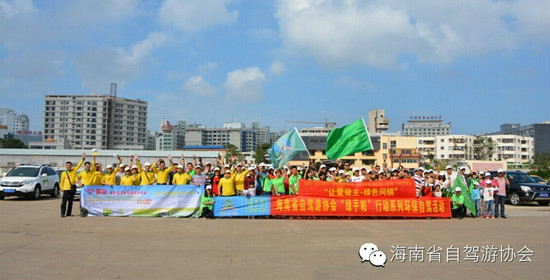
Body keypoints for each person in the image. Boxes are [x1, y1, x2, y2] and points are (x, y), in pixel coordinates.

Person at [60, 153, 85, 217]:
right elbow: (61, 181)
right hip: (66, 189)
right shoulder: (64, 173)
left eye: (69, 165)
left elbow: (79, 165)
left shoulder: (74, 170)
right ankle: (62, 213)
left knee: (70, 202)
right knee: (64, 202)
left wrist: (83, 159)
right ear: (66, 166)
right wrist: (61, 189)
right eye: (67, 165)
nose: (69, 166)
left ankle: (68, 213)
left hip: (72, 188)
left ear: (71, 166)